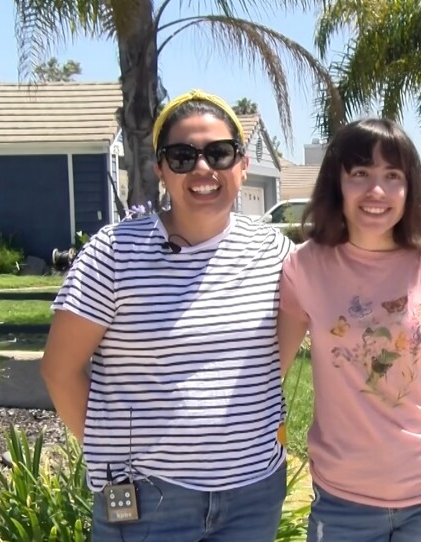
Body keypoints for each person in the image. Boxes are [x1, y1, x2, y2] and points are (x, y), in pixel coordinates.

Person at [40, 89, 292, 541]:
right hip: (149, 499)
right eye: (182, 156)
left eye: (219, 153)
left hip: (254, 492)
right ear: (160, 170)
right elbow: (60, 370)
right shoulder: (113, 254)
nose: (202, 169)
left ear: (242, 164)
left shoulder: (274, 251)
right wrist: (115, 454)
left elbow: (274, 358)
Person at [277, 118, 421, 541]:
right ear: (336, 183)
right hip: (343, 502)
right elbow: (271, 374)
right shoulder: (305, 267)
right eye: (360, 174)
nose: (376, 191)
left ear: (409, 187)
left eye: (392, 176)